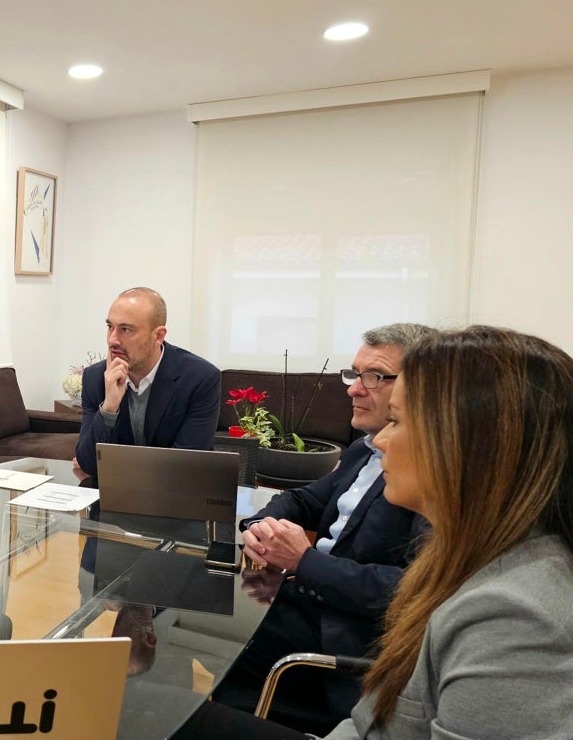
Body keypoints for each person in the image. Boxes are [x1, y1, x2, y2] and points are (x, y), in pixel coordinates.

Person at [179, 325, 573, 739]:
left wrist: (305, 561)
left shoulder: (515, 614)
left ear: (466, 443)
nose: (381, 441)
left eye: (398, 421)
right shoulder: (478, 553)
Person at [209, 324, 432, 733]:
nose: (353, 388)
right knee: (189, 620)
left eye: (375, 376)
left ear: (422, 390)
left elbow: (415, 591)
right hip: (298, 600)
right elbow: (303, 500)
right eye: (354, 373)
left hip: (340, 642)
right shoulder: (362, 449)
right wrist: (262, 525)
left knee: (197, 669)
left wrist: (304, 561)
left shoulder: (431, 477)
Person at [74, 287, 221, 476]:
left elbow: (185, 467)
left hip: (178, 498)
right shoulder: (96, 377)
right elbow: (88, 464)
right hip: (114, 496)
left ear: (158, 336)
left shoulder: (200, 378)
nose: (112, 340)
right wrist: (109, 407)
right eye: (110, 326)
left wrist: (116, 465)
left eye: (125, 329)